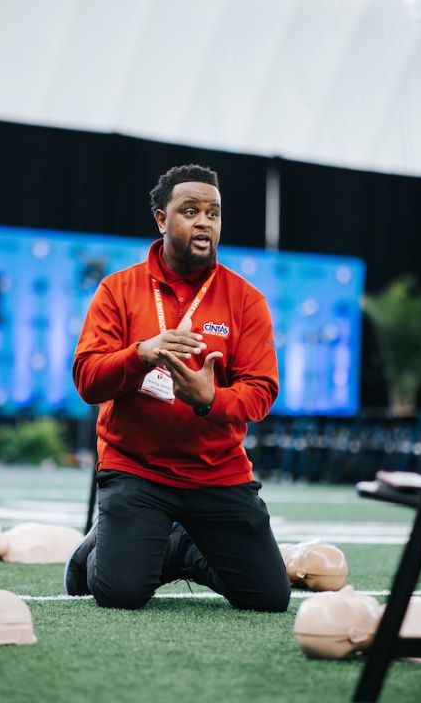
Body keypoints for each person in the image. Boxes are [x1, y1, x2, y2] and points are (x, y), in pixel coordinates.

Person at [64, 164, 291, 612]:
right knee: (120, 594)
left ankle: (181, 547)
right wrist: (140, 354)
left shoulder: (246, 300)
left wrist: (211, 399)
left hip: (217, 471)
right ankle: (104, 551)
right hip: (137, 469)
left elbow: (262, 391)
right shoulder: (118, 290)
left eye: (214, 212)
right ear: (161, 220)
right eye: (190, 211)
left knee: (268, 597)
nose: (205, 221)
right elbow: (88, 379)